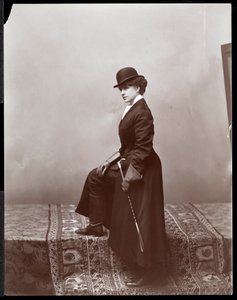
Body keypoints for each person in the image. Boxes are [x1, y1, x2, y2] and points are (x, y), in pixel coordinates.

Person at [75, 67, 168, 287]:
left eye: (127, 87)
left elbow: (144, 147)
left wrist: (129, 176)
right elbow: (128, 145)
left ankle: (149, 270)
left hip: (144, 168)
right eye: (120, 89)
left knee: (141, 219)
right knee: (95, 177)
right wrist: (110, 159)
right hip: (129, 159)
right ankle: (96, 224)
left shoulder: (142, 111)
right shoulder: (131, 108)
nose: (123, 92)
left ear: (138, 86)